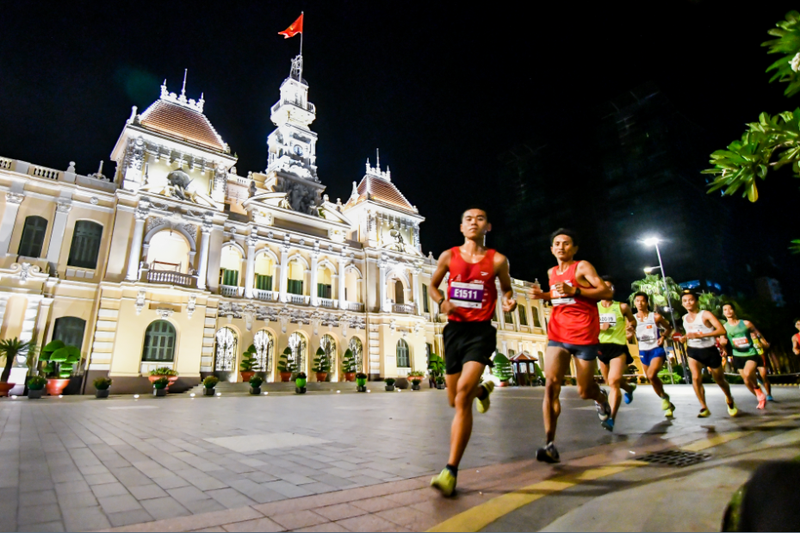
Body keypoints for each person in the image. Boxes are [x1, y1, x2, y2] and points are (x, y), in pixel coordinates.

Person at [427, 207, 517, 496]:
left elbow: (507, 289)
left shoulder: (499, 260)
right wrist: (442, 302)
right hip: (454, 331)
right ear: (461, 226)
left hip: (480, 332)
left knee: (462, 394)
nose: (474, 223)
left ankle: (450, 470)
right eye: (468, 218)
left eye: (479, 219)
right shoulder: (448, 256)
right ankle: (483, 391)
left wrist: (509, 301)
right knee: (455, 399)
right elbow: (431, 286)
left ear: (487, 226)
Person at [530, 229, 612, 463]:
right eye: (557, 243)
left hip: (584, 334)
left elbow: (605, 291)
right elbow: (559, 297)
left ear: (574, 248)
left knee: (584, 390)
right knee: (550, 385)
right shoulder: (551, 272)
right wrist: (543, 296)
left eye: (566, 243)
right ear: (552, 249)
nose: (561, 247)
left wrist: (576, 289)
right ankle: (549, 444)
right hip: (557, 333)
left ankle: (600, 398)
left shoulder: (583, 267)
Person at [677, 290, 737, 417]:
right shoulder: (684, 318)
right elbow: (690, 333)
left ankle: (729, 398)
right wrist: (684, 338)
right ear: (682, 304)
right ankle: (704, 407)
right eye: (685, 301)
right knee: (696, 377)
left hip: (710, 351)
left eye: (691, 300)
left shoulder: (705, 314)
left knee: (719, 380)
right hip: (693, 351)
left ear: (696, 302)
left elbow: (721, 330)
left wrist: (702, 335)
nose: (688, 303)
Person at [596, 277, 638, 431]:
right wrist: (601, 327)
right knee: (610, 381)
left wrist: (631, 327)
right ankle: (629, 389)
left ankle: (611, 418)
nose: (607, 290)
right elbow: (587, 326)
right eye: (604, 287)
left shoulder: (622, 307)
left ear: (613, 290)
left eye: (610, 287)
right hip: (601, 348)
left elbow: (632, 320)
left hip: (618, 347)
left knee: (613, 382)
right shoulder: (594, 308)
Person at [631, 292, 675, 417]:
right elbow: (629, 334)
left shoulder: (655, 317)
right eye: (637, 301)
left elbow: (668, 328)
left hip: (656, 349)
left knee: (651, 374)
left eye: (642, 301)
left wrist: (663, 337)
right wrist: (629, 333)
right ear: (634, 303)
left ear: (647, 303)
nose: (639, 303)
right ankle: (665, 399)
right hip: (643, 351)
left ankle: (665, 399)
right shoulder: (632, 319)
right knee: (651, 378)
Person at [719, 303, 770, 409]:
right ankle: (760, 396)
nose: (728, 311)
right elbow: (722, 340)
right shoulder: (724, 327)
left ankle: (758, 391)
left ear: (734, 310)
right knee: (746, 381)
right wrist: (723, 347)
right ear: (723, 313)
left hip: (750, 353)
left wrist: (763, 340)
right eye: (725, 310)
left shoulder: (746, 323)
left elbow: (756, 332)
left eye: (730, 309)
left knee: (747, 374)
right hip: (737, 355)